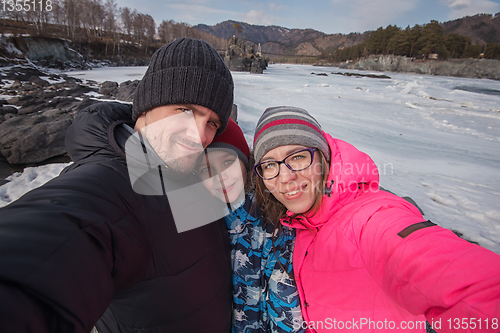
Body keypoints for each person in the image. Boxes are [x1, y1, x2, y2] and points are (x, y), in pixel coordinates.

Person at [0, 38, 235, 333]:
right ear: (148, 104)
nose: (199, 135)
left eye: (212, 122)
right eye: (184, 110)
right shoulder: (110, 187)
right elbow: (48, 247)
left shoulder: (190, 170)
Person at [252, 106, 500, 333]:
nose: (285, 177)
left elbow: (470, 288)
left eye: (297, 157)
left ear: (323, 157)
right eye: (270, 164)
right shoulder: (300, 221)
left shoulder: (371, 217)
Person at [196, 118, 305, 332]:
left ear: (246, 162)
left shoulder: (273, 220)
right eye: (207, 170)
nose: (220, 177)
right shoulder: (199, 222)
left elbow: (285, 301)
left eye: (228, 162)